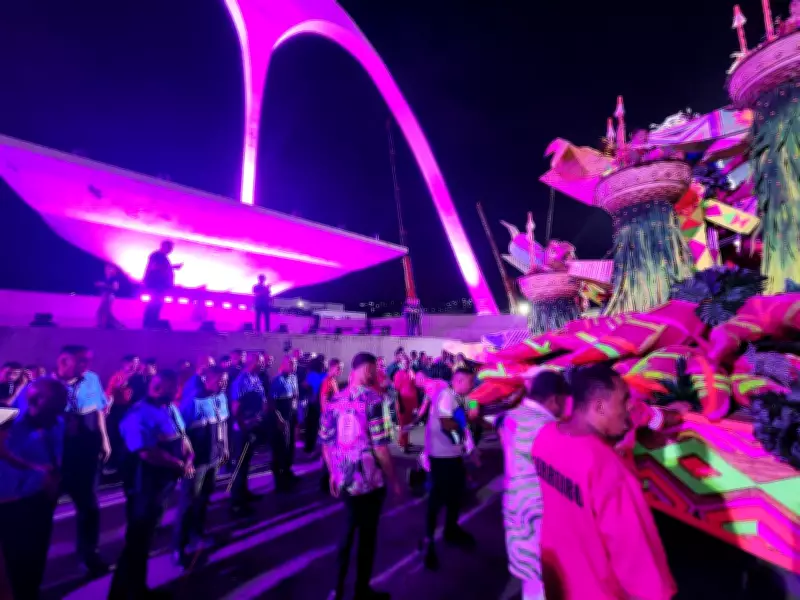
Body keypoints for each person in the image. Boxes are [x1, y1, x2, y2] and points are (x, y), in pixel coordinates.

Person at [532, 364, 677, 600]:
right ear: (599, 406)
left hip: (559, 579)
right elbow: (635, 556)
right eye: (624, 400)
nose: (629, 406)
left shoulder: (546, 436)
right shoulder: (607, 468)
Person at [18, 345, 112, 575]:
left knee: (89, 507)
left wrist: (104, 439)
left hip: (86, 455)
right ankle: (30, 561)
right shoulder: (41, 388)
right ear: (63, 361)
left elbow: (99, 409)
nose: (86, 366)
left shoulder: (92, 379)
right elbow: (24, 425)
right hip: (56, 457)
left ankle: (89, 554)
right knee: (41, 511)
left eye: (88, 361)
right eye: (81, 361)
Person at [320, 352, 400, 600]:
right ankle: (361, 591)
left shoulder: (335, 400)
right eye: (374, 369)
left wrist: (334, 471)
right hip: (368, 481)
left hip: (344, 478)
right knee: (367, 537)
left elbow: (326, 442)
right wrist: (395, 480)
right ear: (365, 369)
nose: (375, 374)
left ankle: (338, 588)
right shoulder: (375, 400)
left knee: (346, 532)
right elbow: (381, 448)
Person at [110, 370, 194, 598]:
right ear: (158, 388)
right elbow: (146, 452)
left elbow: (182, 435)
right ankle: (127, 591)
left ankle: (133, 588)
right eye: (173, 387)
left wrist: (189, 456)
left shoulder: (169, 407)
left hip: (163, 483)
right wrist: (178, 463)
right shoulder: (138, 414)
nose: (177, 391)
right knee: (138, 539)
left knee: (146, 537)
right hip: (144, 485)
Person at [496, 370, 570, 600]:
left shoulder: (510, 416)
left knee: (531, 578)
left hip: (515, 503)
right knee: (547, 581)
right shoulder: (549, 427)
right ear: (554, 399)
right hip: (541, 510)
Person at [0, 379, 67, 600]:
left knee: (36, 559)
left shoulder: (57, 423)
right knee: (14, 565)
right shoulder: (9, 425)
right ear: (35, 399)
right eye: (56, 405)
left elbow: (56, 456)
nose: (60, 410)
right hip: (15, 505)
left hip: (43, 500)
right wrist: (40, 475)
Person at [421, 367, 476, 571]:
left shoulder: (460, 397)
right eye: (470, 383)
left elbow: (468, 419)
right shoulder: (445, 397)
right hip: (441, 457)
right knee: (437, 500)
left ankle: (451, 530)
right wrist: (465, 444)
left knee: (455, 496)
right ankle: (429, 542)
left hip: (452, 456)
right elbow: (448, 424)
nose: (472, 386)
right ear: (459, 381)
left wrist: (468, 447)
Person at [174, 366, 229, 567]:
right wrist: (184, 462)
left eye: (225, 380)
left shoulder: (221, 399)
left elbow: (223, 425)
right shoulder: (192, 403)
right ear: (207, 379)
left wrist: (225, 448)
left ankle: (198, 534)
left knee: (204, 499)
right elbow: (180, 434)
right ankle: (178, 547)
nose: (224, 384)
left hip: (213, 459)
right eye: (220, 380)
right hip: (196, 464)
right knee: (188, 503)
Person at [228, 352, 267, 514]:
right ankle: (236, 503)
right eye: (261, 362)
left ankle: (244, 492)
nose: (263, 364)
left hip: (254, 426)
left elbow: (262, 399)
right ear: (252, 362)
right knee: (240, 464)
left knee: (247, 463)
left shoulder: (255, 377)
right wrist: (246, 429)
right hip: (243, 429)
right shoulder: (241, 381)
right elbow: (236, 410)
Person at [105, 355, 141, 474]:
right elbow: (112, 391)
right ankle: (114, 464)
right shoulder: (118, 376)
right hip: (119, 410)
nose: (135, 365)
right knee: (117, 436)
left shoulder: (139, 378)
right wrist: (107, 409)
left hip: (132, 409)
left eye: (137, 362)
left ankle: (128, 465)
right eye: (132, 363)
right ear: (124, 363)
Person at [269, 356, 300, 490]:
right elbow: (272, 403)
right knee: (280, 449)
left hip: (291, 415)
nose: (294, 366)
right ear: (284, 364)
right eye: (291, 364)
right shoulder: (277, 381)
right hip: (281, 418)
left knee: (290, 446)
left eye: (295, 364)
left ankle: (287, 472)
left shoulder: (294, 377)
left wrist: (297, 417)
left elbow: (295, 397)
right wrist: (279, 419)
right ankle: (279, 481)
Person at [142, 240, 182, 329]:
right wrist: (172, 267)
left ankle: (152, 323)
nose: (171, 250)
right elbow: (155, 267)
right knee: (154, 303)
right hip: (156, 285)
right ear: (164, 246)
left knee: (157, 303)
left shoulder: (162, 257)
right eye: (170, 248)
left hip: (160, 286)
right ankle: (149, 323)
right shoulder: (156, 255)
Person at [392, 356, 418, 452]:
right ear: (401, 364)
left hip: (411, 402)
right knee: (403, 424)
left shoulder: (411, 372)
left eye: (408, 362)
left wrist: (415, 405)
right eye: (404, 363)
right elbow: (396, 390)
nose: (406, 364)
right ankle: (403, 445)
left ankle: (404, 441)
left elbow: (414, 386)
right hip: (402, 402)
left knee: (408, 424)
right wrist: (400, 404)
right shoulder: (398, 374)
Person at [96, 263, 124, 329]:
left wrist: (103, 285)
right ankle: (108, 324)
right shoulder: (106, 278)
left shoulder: (114, 278)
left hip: (110, 295)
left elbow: (116, 288)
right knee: (105, 311)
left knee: (102, 311)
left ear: (113, 270)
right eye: (106, 268)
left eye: (109, 268)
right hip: (105, 295)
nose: (107, 269)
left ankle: (106, 325)